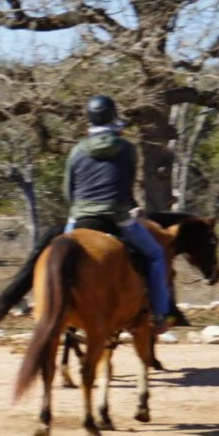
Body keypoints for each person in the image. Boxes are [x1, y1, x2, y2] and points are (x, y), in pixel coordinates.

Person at [62, 94, 173, 334]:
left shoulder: (76, 151)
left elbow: (68, 190)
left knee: (54, 257)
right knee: (155, 255)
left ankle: (48, 309)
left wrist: (79, 210)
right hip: (117, 216)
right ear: (113, 116)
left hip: (79, 217)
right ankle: (160, 314)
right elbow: (126, 184)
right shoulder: (127, 149)